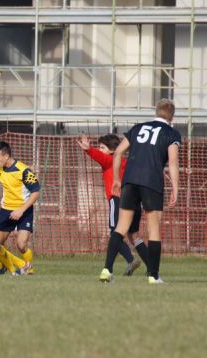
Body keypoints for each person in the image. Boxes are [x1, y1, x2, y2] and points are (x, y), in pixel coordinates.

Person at [99, 99, 181, 284]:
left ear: (156, 112)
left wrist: (118, 180)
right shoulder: (171, 133)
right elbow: (173, 161)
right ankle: (153, 275)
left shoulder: (138, 128)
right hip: (151, 181)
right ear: (171, 116)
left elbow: (118, 151)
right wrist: (176, 188)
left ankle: (107, 269)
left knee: (121, 227)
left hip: (130, 180)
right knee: (154, 230)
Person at [77, 134, 148, 276]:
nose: (100, 149)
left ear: (112, 150)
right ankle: (151, 267)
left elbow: (100, 157)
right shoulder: (127, 162)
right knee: (134, 236)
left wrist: (89, 149)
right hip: (134, 201)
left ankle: (130, 259)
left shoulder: (111, 160)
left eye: (102, 147)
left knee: (115, 233)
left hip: (117, 200)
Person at [0, 141, 39, 274]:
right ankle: (4, 267)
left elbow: (36, 191)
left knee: (21, 245)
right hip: (6, 211)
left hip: (24, 210)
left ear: (6, 156)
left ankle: (28, 268)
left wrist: (21, 210)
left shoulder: (23, 170)